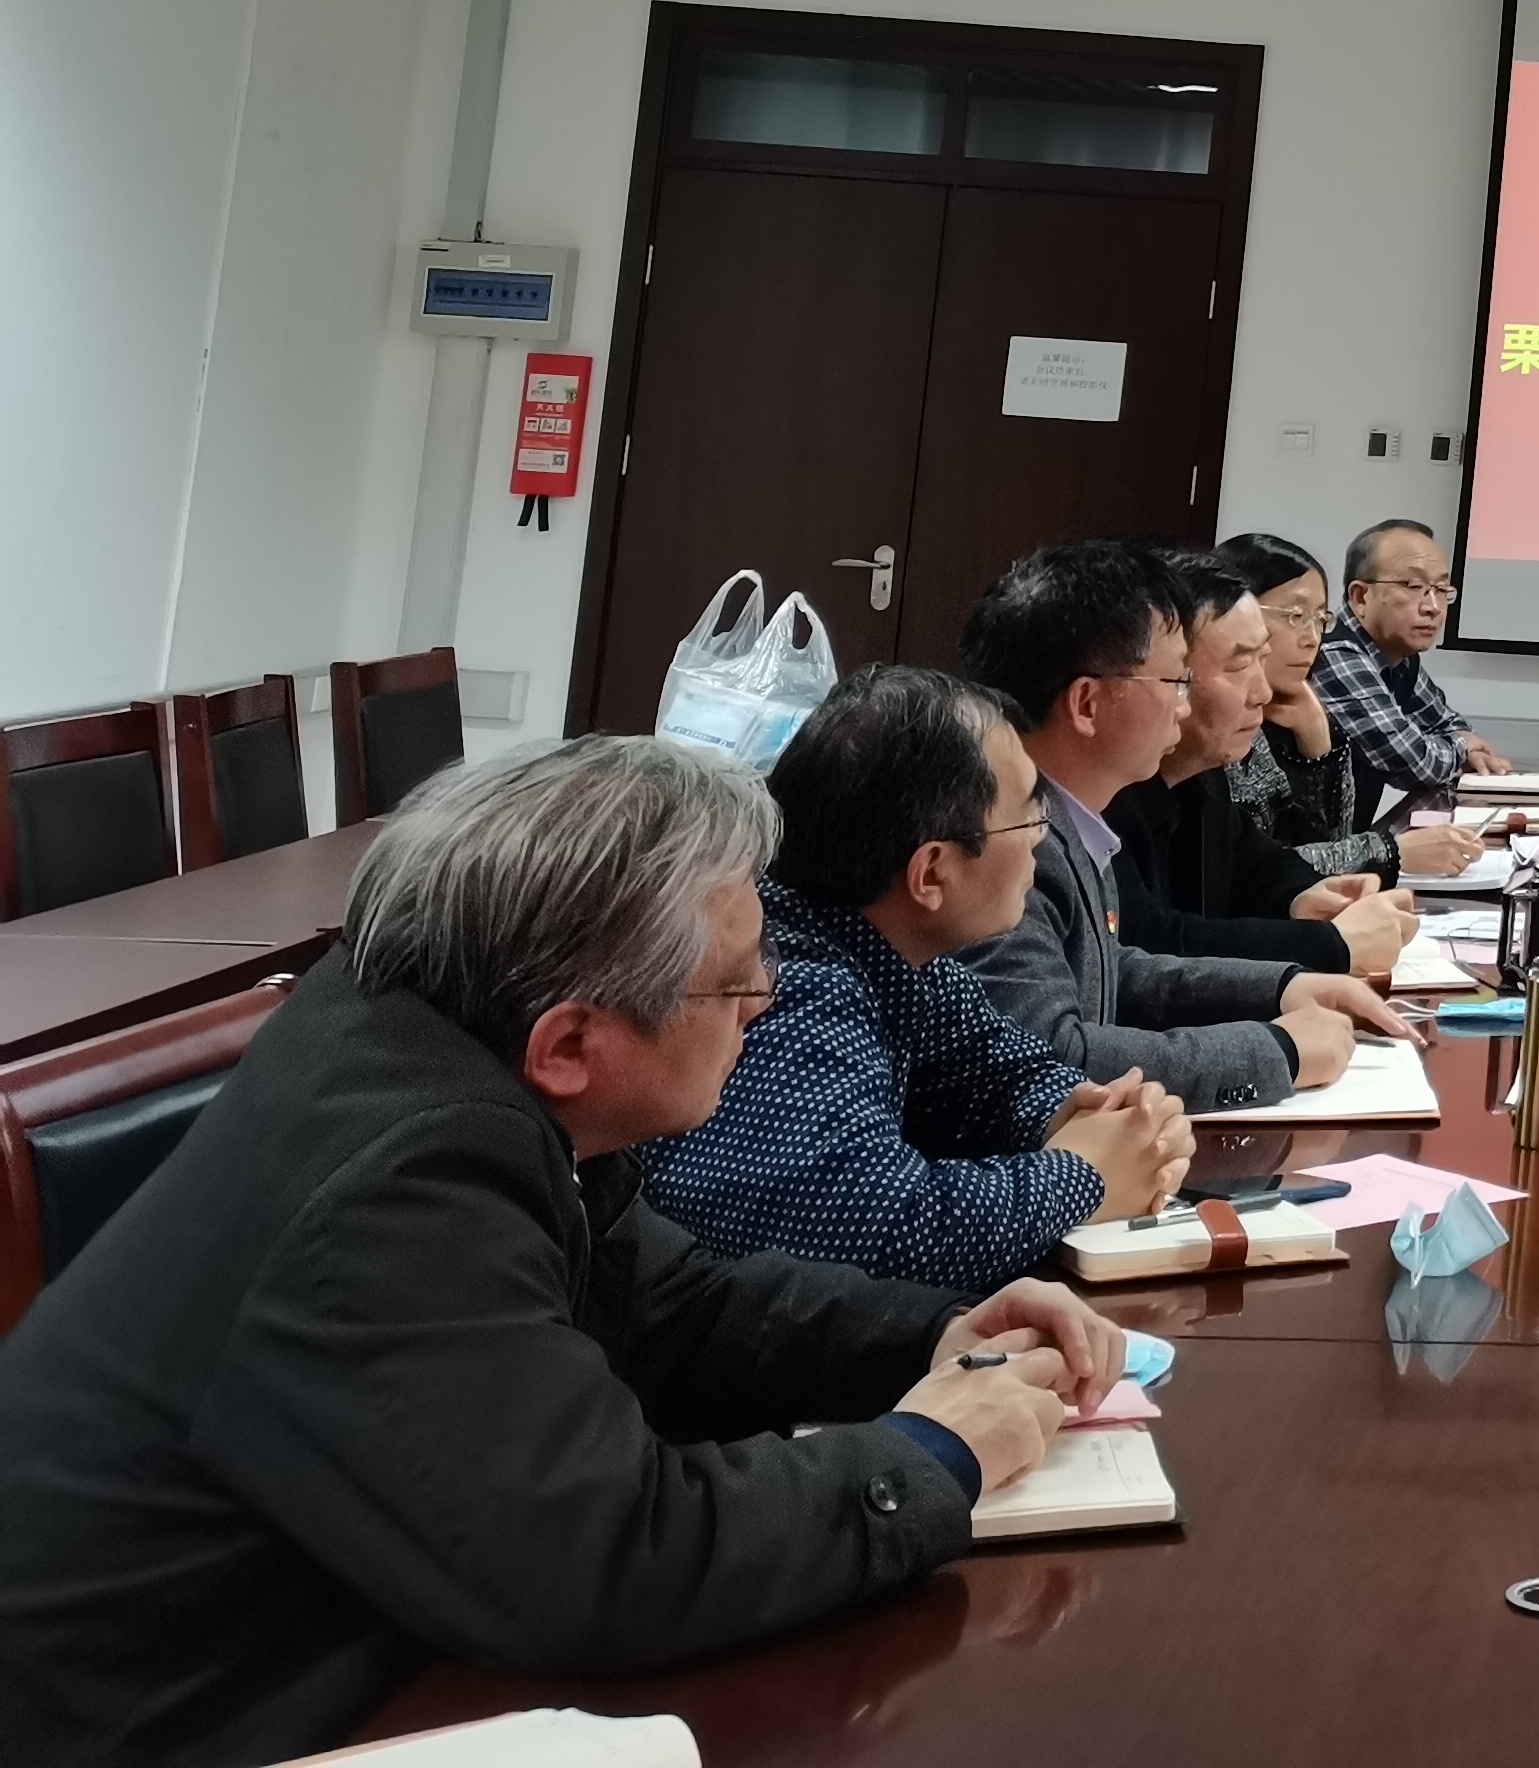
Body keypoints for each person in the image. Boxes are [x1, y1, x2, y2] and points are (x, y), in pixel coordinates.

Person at [0, 735, 1115, 1767]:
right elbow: (611, 1557)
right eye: (737, 980)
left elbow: (671, 1304)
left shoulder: (448, 1035)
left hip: (349, 1639)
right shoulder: (401, 1191)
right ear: (571, 1042)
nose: (766, 1002)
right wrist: (932, 1456)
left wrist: (932, 1335)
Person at [644, 663, 1193, 1291]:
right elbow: (878, 1232)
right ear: (931, 873)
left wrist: (1084, 1115)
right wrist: (1083, 1173)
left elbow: (1001, 1074)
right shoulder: (793, 988)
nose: (1042, 841)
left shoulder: (899, 958)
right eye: (1028, 819)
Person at [957, 537, 1418, 1109]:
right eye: (1175, 681)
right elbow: (1045, 1057)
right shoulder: (1000, 838)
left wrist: (1283, 986)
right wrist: (1275, 1051)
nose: (1184, 705)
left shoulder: (1072, 818)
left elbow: (1113, 969)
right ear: (1087, 704)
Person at [1112, 553, 1417, 980]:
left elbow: (1255, 863)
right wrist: (1330, 944)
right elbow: (1147, 942)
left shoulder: (1200, 773)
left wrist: (1308, 894)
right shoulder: (1104, 788)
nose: (1262, 692)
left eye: (1262, 659)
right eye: (1240, 664)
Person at [1223, 527, 1482, 887]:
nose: (1313, 639)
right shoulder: (1215, 726)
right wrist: (1389, 851)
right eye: (1296, 615)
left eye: (1319, 619)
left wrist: (1318, 742)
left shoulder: (1296, 706)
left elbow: (1325, 847)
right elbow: (1247, 873)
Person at [1309, 515, 1501, 813]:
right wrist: (1463, 747)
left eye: (1441, 589)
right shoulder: (1335, 654)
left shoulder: (1398, 657)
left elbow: (1445, 723)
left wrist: (1462, 745)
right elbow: (1413, 762)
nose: (1433, 607)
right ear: (1361, 597)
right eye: (1413, 586)